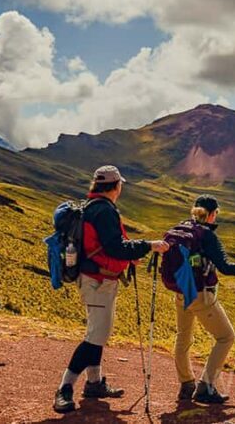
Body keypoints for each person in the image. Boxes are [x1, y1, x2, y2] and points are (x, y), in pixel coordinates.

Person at [53, 166, 170, 414]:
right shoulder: (104, 210)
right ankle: (64, 388)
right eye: (120, 185)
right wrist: (148, 245)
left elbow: (109, 247)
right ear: (116, 186)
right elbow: (116, 247)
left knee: (98, 333)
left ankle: (94, 383)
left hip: (99, 279)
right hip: (97, 281)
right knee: (96, 336)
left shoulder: (93, 206)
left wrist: (130, 256)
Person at [171, 194, 235, 404]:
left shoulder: (182, 228)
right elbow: (225, 267)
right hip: (201, 295)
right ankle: (206, 387)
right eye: (216, 213)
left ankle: (186, 384)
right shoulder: (207, 235)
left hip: (181, 292)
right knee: (226, 337)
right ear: (211, 214)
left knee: (183, 338)